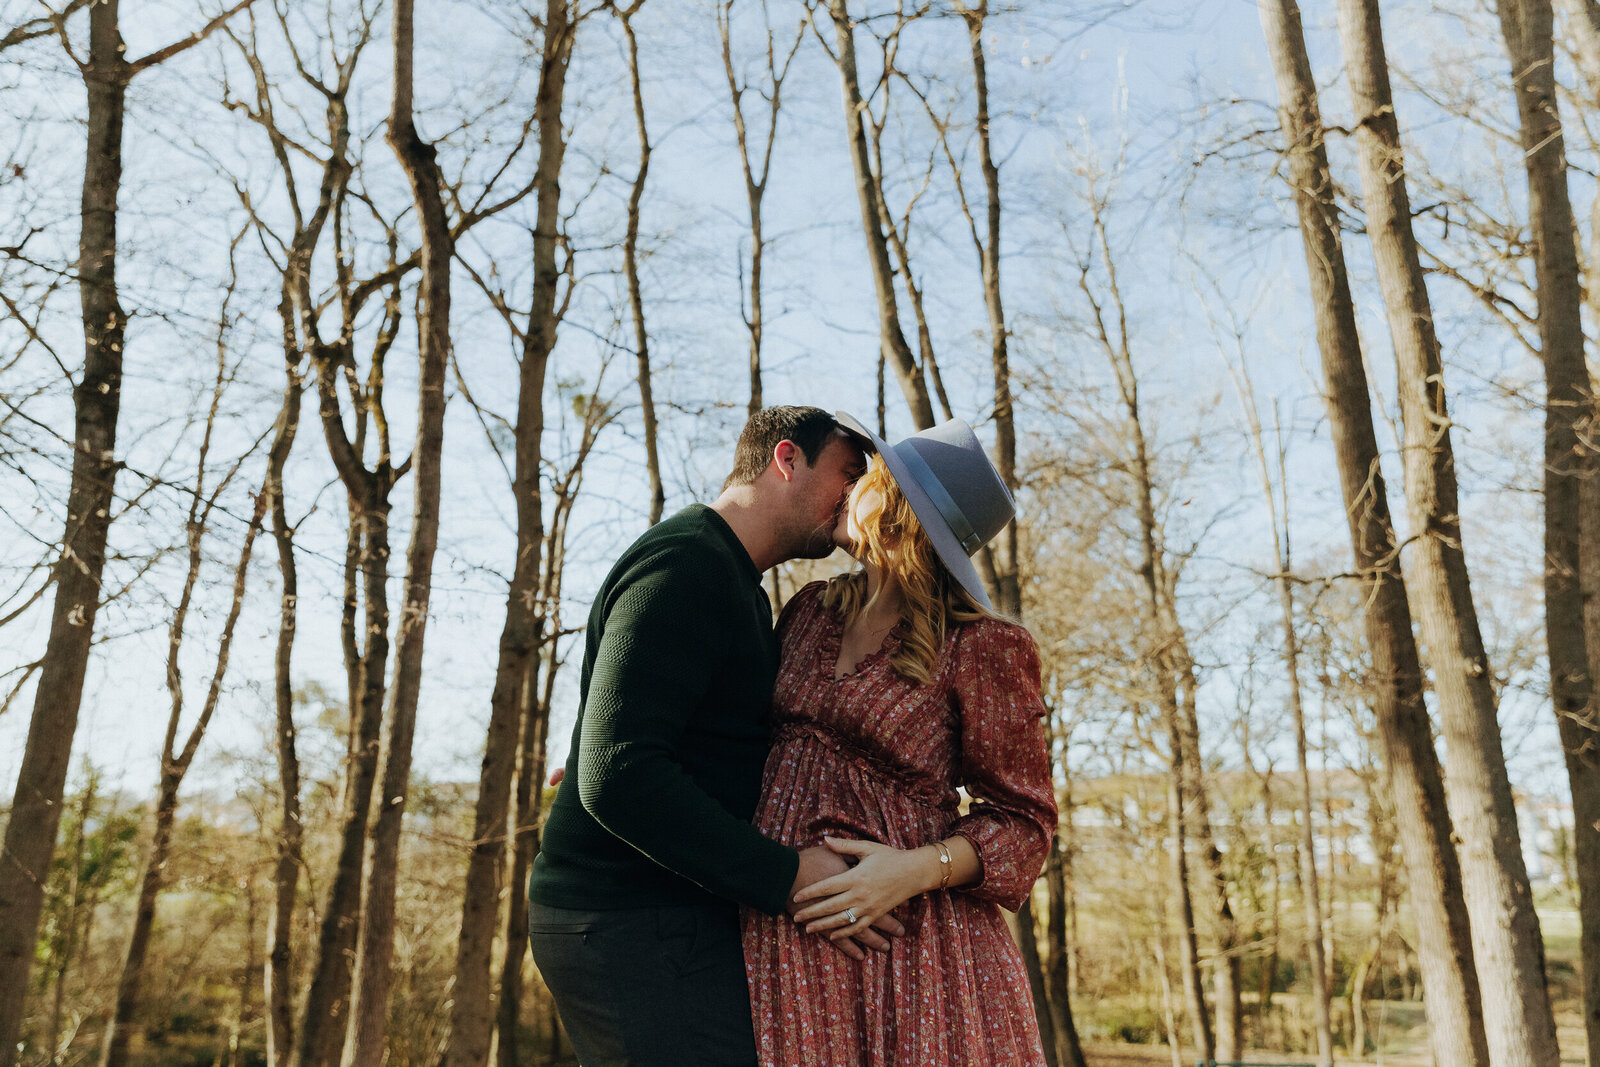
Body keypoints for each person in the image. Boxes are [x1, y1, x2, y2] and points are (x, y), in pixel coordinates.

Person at [527, 405, 901, 1067]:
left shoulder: (732, 581)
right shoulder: (686, 565)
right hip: (629, 919)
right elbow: (617, 773)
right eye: (847, 472)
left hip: (666, 916)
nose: (855, 495)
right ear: (787, 459)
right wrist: (786, 877)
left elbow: (646, 722)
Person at [742, 413, 1058, 1066]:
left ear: (894, 509)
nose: (844, 484)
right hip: (779, 922)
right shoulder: (808, 610)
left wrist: (909, 872)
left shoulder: (982, 646)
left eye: (863, 477)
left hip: (909, 951)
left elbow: (1026, 825)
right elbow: (731, 724)